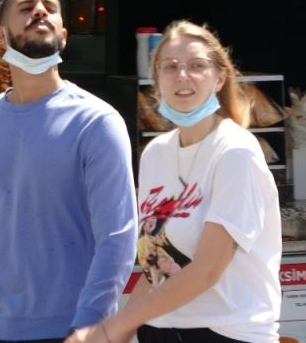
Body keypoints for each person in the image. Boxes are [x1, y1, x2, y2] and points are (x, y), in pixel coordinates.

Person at [0, 0, 138, 343]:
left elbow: (117, 240)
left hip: (66, 331)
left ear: (64, 36)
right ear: (2, 37)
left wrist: (88, 328)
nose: (40, 11)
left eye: (50, 9)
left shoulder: (97, 122)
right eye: (26, 8)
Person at [66, 20, 282, 343]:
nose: (183, 75)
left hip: (226, 334)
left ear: (219, 78)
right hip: (160, 332)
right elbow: (158, 270)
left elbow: (207, 270)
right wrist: (113, 333)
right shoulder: (155, 154)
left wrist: (114, 328)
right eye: (170, 67)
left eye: (197, 66)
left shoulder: (235, 152)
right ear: (157, 80)